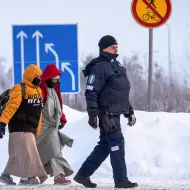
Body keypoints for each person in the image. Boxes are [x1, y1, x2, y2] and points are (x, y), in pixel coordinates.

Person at [73, 35, 138, 189]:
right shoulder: (100, 67)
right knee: (116, 143)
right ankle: (121, 180)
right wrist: (93, 114)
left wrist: (130, 111)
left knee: (105, 145)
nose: (116, 49)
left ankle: (83, 174)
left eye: (117, 46)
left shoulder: (117, 65)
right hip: (106, 113)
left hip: (115, 112)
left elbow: (122, 92)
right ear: (104, 48)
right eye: (113, 47)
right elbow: (91, 92)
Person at [0, 64, 47, 185]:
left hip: (30, 127)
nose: (39, 79)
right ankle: (27, 178)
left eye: (40, 76)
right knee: (28, 153)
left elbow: (38, 113)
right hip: (19, 126)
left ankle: (5, 175)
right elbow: (11, 107)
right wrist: (2, 122)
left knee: (17, 154)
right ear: (30, 76)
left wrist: (37, 129)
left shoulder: (38, 91)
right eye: (37, 76)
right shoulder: (19, 89)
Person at [36, 64, 74, 185]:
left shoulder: (54, 90)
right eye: (54, 79)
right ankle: (27, 175)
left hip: (52, 126)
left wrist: (62, 118)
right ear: (48, 78)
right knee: (42, 151)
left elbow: (58, 107)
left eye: (58, 79)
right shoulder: (40, 90)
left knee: (54, 150)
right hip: (41, 127)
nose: (56, 81)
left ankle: (59, 176)